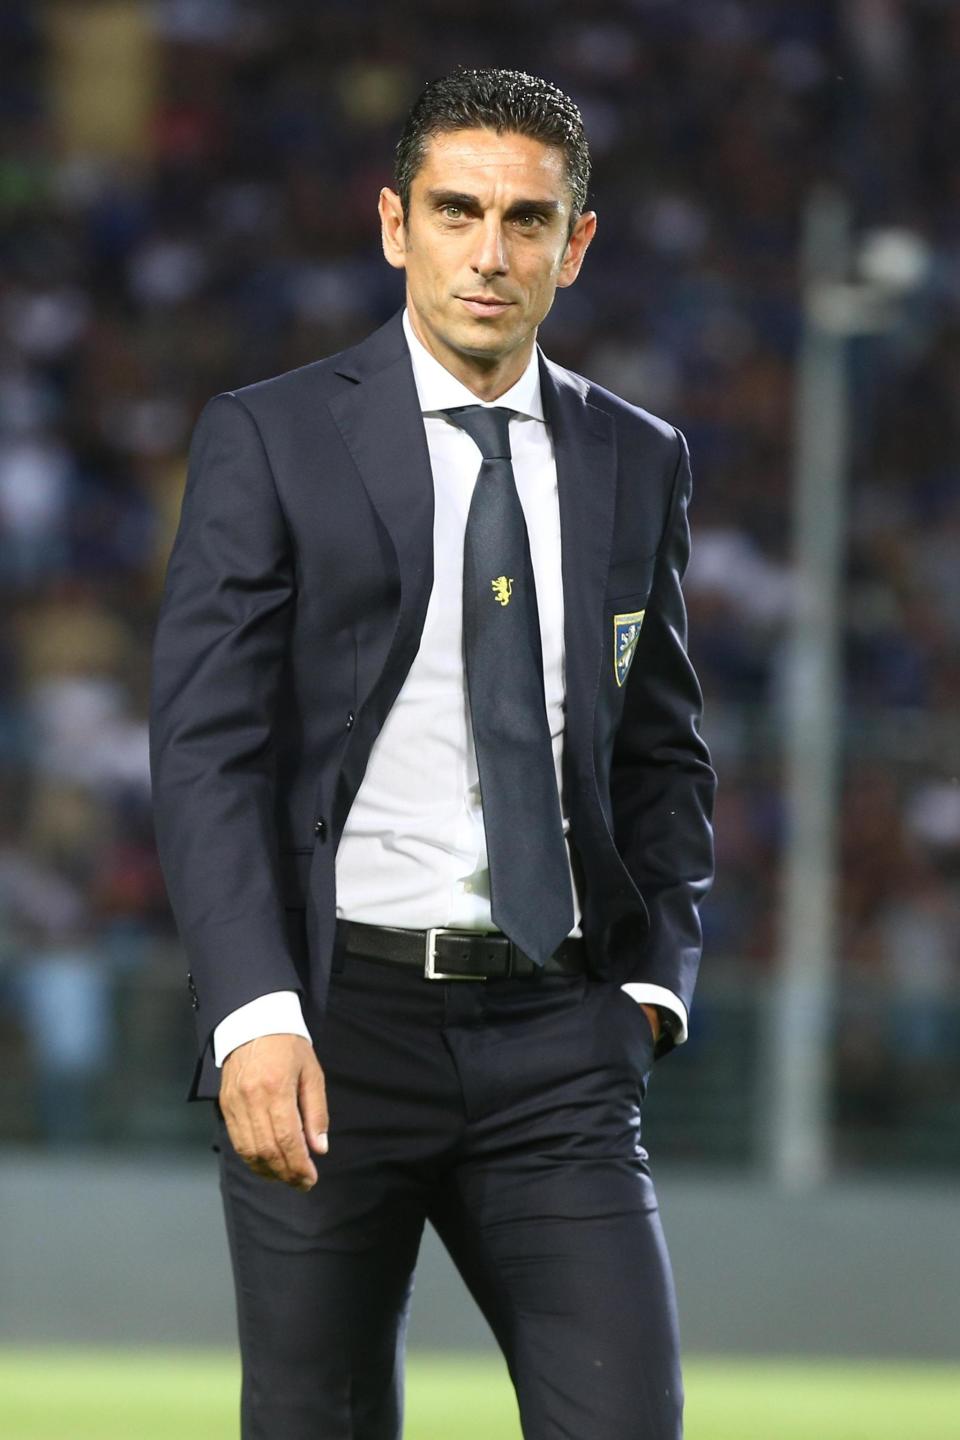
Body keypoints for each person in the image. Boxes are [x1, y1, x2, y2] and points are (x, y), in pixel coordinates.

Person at [149, 66, 715, 1440]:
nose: (490, 249)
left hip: (560, 1040)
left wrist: (649, 983)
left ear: (574, 248)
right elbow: (205, 748)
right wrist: (254, 1014)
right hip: (336, 1031)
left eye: (528, 220)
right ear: (394, 222)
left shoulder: (639, 460)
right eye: (457, 210)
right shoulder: (270, 439)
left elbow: (663, 751)